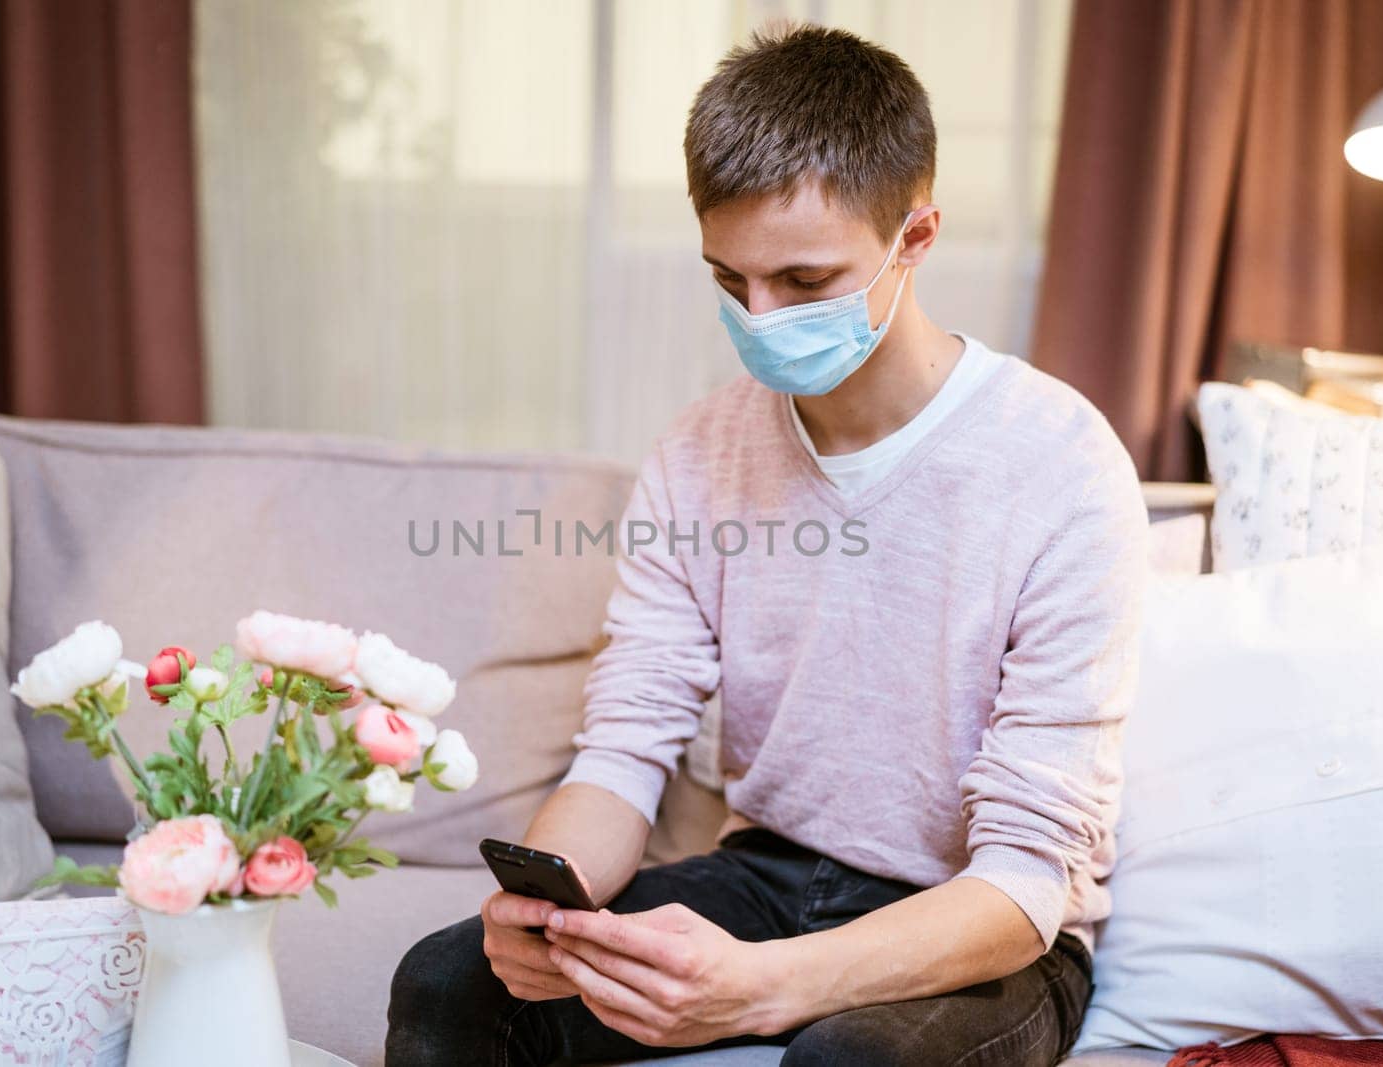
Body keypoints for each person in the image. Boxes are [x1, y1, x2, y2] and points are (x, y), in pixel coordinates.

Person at [386, 21, 1146, 1066]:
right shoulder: (700, 449)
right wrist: (542, 907)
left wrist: (759, 990)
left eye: (802, 280)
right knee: (446, 980)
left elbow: (1024, 879)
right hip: (768, 872)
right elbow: (624, 747)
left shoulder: (1061, 464)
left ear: (914, 239)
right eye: (728, 279)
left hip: (979, 929)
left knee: (850, 1056)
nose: (759, 317)